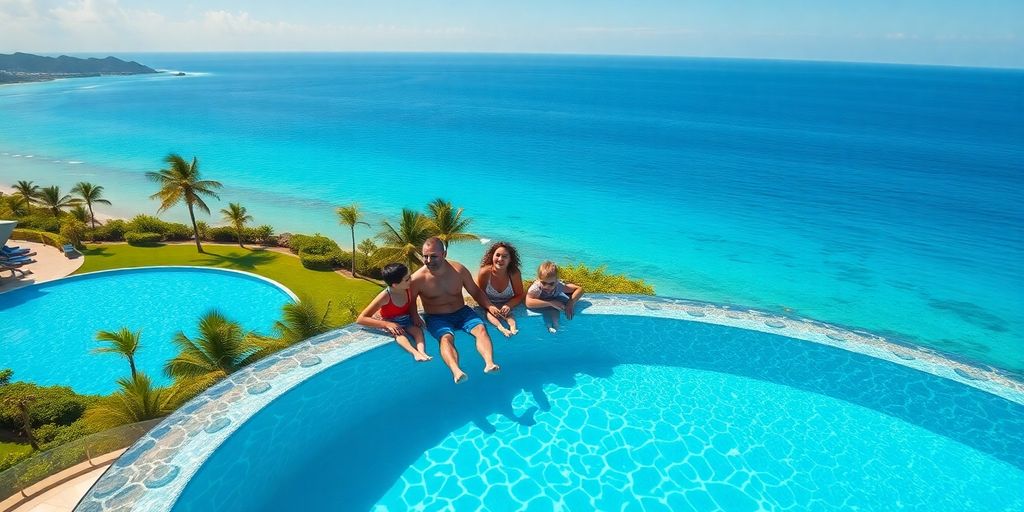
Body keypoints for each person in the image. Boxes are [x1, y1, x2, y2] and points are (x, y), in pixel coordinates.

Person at [411, 237, 501, 384]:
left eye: (433, 256)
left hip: (462, 312)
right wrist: (415, 316)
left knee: (481, 329)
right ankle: (456, 371)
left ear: (444, 254)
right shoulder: (417, 278)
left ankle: (489, 363)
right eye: (425, 256)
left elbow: (475, 291)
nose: (428, 260)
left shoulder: (458, 270)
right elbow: (411, 301)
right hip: (436, 317)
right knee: (446, 338)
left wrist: (489, 305)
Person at [356, 263, 432, 362]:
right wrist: (387, 324)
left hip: (406, 319)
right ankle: (415, 353)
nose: (411, 280)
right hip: (391, 322)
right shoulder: (385, 296)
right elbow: (361, 319)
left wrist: (415, 315)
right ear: (395, 285)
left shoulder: (408, 288)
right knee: (400, 336)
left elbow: (412, 302)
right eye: (407, 279)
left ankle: (422, 352)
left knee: (418, 331)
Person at [476, 241, 526, 337]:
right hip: (489, 304)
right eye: (497, 255)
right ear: (492, 256)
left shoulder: (514, 273)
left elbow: (520, 295)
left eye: (505, 256)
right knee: (489, 314)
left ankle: (513, 327)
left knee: (509, 315)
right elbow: (479, 295)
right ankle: (501, 328)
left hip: (506, 304)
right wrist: (490, 306)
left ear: (510, 259)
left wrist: (508, 305)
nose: (500, 259)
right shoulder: (485, 272)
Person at [525, 261, 584, 333]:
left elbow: (579, 289)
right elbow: (528, 303)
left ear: (556, 281)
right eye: (543, 283)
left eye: (551, 283)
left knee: (556, 316)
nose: (546, 286)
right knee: (549, 313)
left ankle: (556, 327)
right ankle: (550, 326)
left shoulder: (559, 286)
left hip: (553, 302)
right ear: (538, 279)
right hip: (544, 303)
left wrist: (570, 303)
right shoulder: (536, 288)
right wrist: (550, 303)